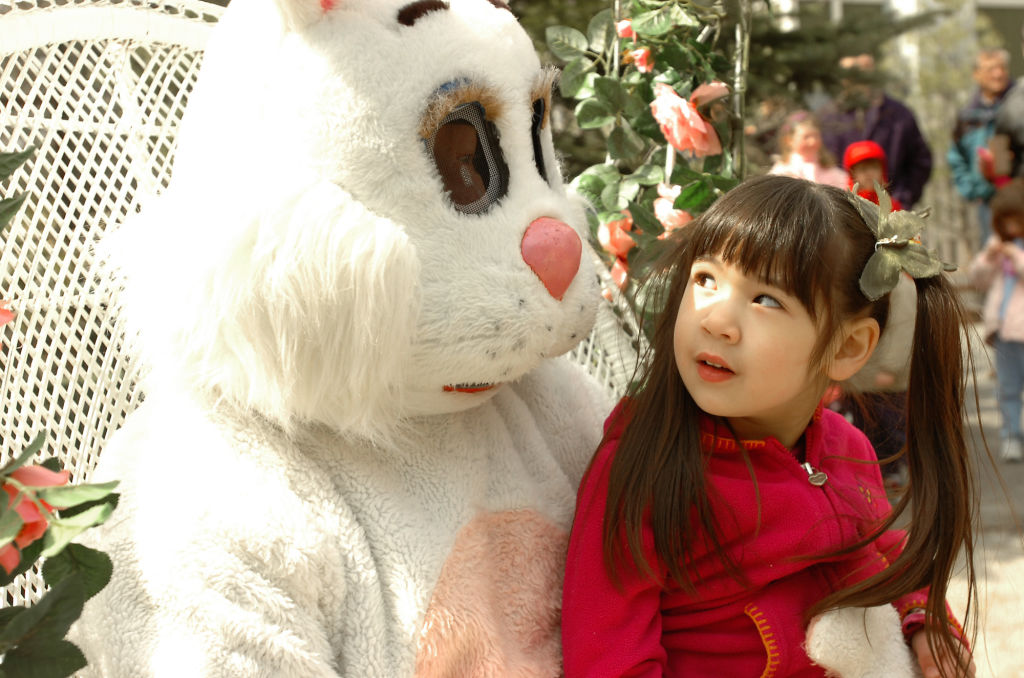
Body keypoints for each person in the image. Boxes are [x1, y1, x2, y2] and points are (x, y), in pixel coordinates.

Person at [562, 175, 977, 676]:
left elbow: (887, 554)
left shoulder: (848, 448)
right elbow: (608, 657)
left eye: (766, 300)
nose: (715, 320)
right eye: (705, 279)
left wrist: (928, 624)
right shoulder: (646, 464)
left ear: (846, 348)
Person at [818, 53, 933, 208]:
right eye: (851, 71)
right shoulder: (827, 118)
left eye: (864, 68)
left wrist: (902, 199)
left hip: (891, 211)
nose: (858, 76)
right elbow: (819, 164)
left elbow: (920, 160)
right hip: (840, 213)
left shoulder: (898, 114)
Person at [969, 177, 1024, 462]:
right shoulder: (998, 245)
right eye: (1006, 222)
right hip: (1004, 331)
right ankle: (1011, 435)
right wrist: (988, 258)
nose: (1011, 229)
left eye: (1016, 221)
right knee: (1007, 387)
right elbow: (977, 279)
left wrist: (1016, 256)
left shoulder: (1016, 250)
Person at [950, 48, 1013, 249]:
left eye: (1002, 68)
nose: (998, 74)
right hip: (988, 202)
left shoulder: (1018, 104)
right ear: (976, 74)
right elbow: (956, 156)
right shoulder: (968, 116)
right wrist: (972, 190)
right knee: (995, 258)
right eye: (990, 69)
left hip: (1019, 195)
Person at [768, 110, 849, 189]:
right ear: (789, 140)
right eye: (806, 137)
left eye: (816, 136)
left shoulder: (832, 171)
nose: (812, 142)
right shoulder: (782, 172)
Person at [844, 138, 905, 210]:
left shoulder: (892, 206)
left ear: (883, 170)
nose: (870, 173)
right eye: (863, 169)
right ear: (852, 174)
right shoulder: (848, 206)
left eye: (875, 167)